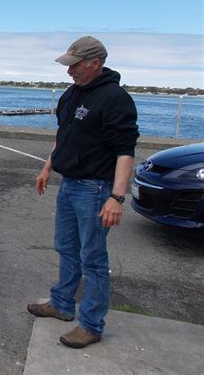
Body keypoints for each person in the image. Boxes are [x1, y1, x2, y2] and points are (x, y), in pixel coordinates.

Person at [27, 36, 139, 348]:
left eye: (75, 66)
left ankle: (91, 324)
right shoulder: (72, 94)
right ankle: (62, 303)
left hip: (95, 189)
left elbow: (125, 152)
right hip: (70, 184)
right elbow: (64, 135)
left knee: (93, 259)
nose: (69, 72)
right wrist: (48, 167)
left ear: (95, 63)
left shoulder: (115, 99)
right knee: (65, 248)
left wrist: (117, 198)